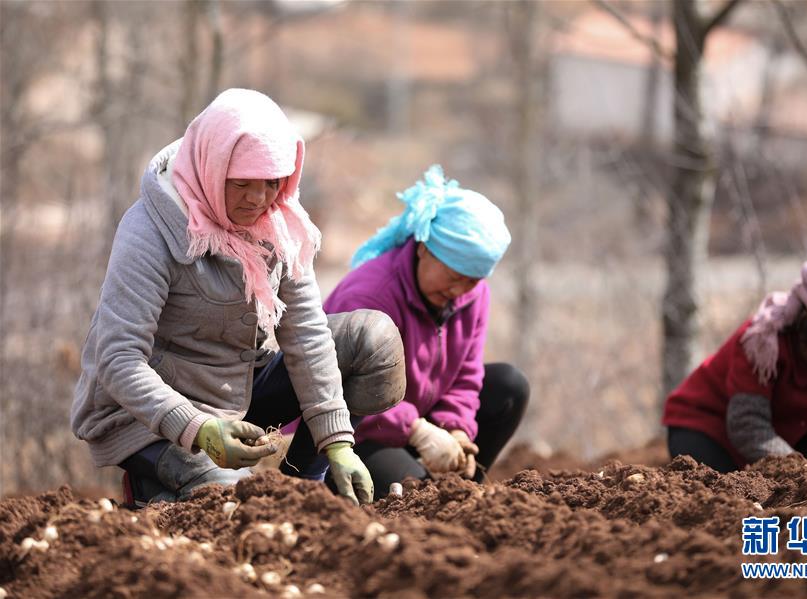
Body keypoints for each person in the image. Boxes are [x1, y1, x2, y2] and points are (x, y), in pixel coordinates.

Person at [71, 89, 406, 506]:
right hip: (146, 414)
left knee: (372, 340)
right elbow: (118, 359)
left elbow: (306, 334)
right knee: (235, 504)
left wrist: (336, 441)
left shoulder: (280, 223)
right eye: (241, 183)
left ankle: (307, 492)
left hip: (236, 391)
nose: (258, 199)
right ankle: (161, 488)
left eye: (271, 183)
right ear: (212, 168)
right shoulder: (150, 231)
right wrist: (199, 430)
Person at [323, 165, 529, 499]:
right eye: (453, 274)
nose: (459, 289)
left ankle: (463, 491)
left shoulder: (471, 295)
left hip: (413, 417)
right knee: (417, 498)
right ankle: (434, 493)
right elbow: (336, 390)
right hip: (349, 431)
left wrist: (457, 429)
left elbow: (465, 374)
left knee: (509, 386)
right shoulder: (370, 296)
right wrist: (415, 430)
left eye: (472, 280)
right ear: (423, 247)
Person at [663, 261, 807, 473]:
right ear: (804, 325)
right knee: (720, 479)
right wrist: (798, 469)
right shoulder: (762, 342)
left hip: (793, 431)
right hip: (711, 426)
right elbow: (748, 425)